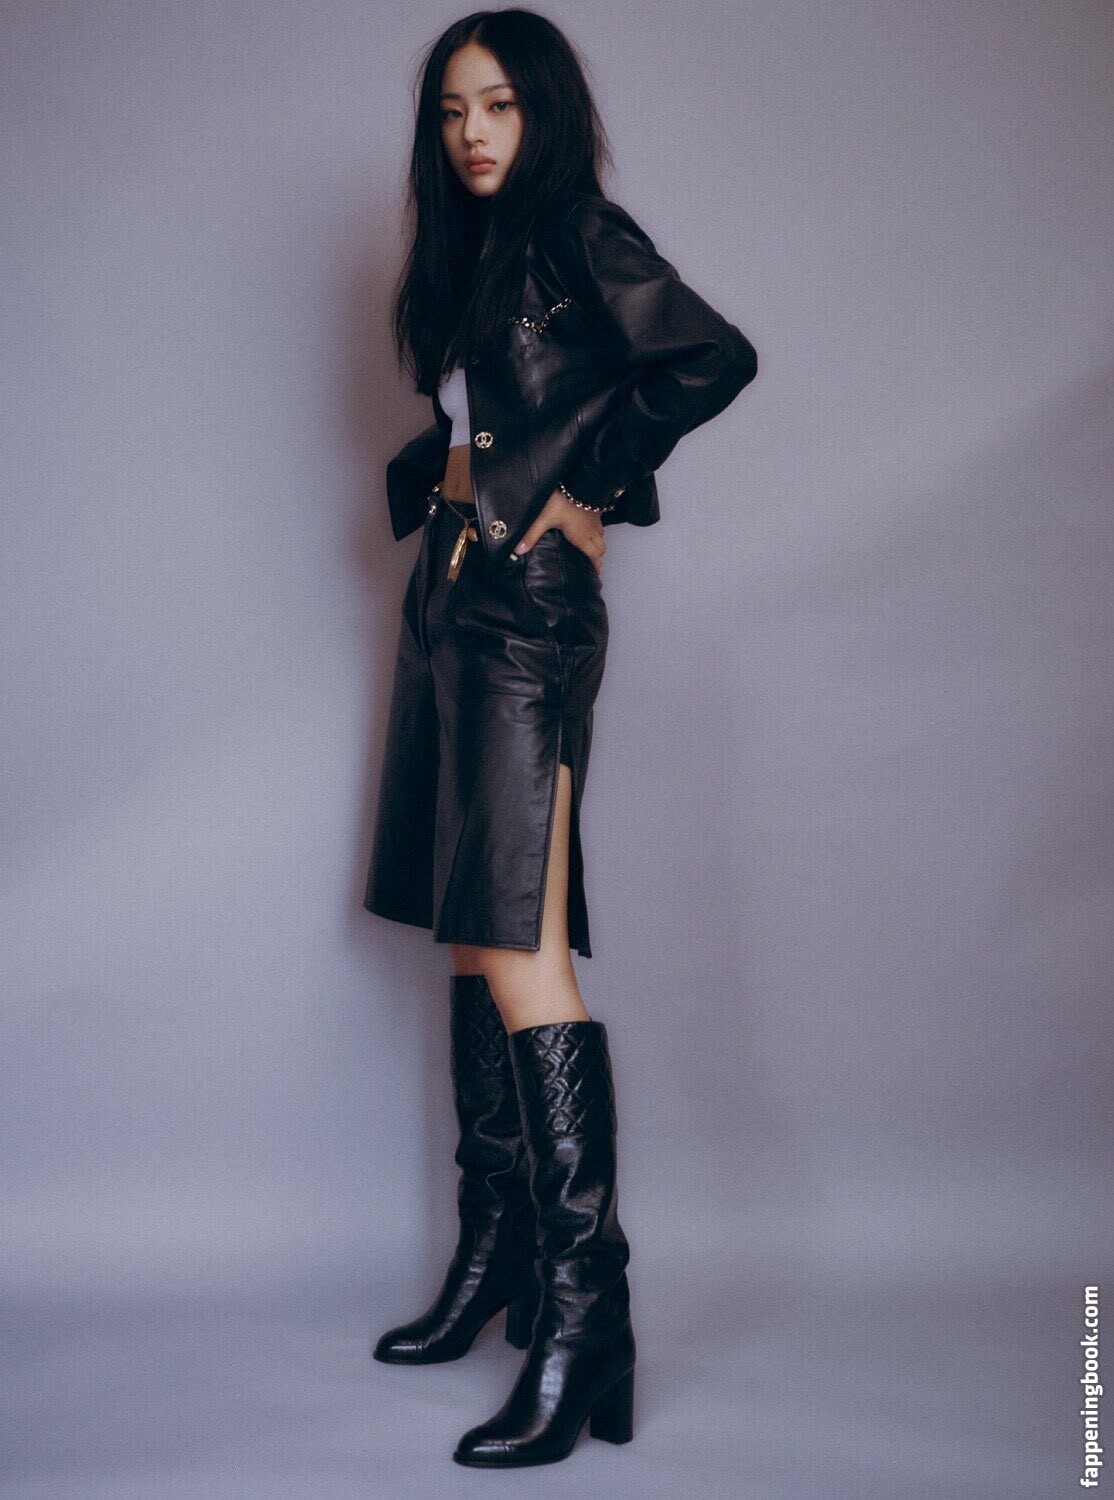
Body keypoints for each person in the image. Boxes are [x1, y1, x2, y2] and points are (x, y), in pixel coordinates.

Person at [362, 7, 757, 1468]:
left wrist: (587, 483)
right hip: (452, 600)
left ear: (544, 115)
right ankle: (501, 1257)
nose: (473, 133)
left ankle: (591, 1314)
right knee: (478, 931)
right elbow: (489, 417)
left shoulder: (580, 233)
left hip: (529, 611)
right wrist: (457, 480)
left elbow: (709, 358)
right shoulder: (475, 255)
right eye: (452, 110)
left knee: (525, 945)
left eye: (500, 107)